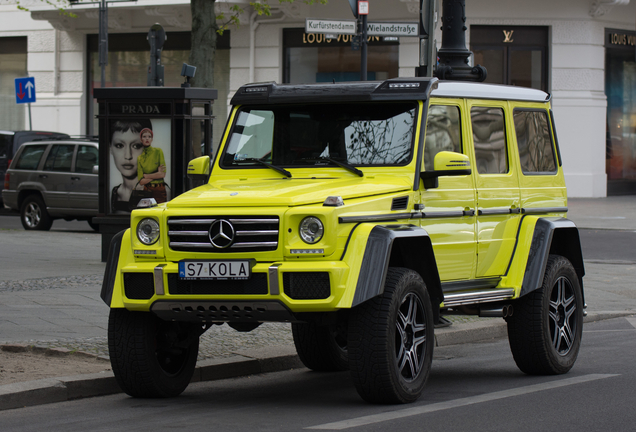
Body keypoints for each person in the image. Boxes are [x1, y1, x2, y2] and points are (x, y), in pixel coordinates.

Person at [109, 119, 151, 213]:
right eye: (119, 145)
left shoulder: (159, 190)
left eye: (136, 146)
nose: (128, 156)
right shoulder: (115, 192)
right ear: (111, 148)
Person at [137, 127, 168, 203]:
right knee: (147, 213)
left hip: (159, 190)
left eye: (149, 136)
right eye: (144, 136)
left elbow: (162, 174)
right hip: (147, 190)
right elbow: (141, 181)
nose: (147, 139)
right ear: (141, 139)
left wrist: (147, 176)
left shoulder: (158, 151)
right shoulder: (140, 158)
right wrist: (156, 174)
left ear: (152, 139)